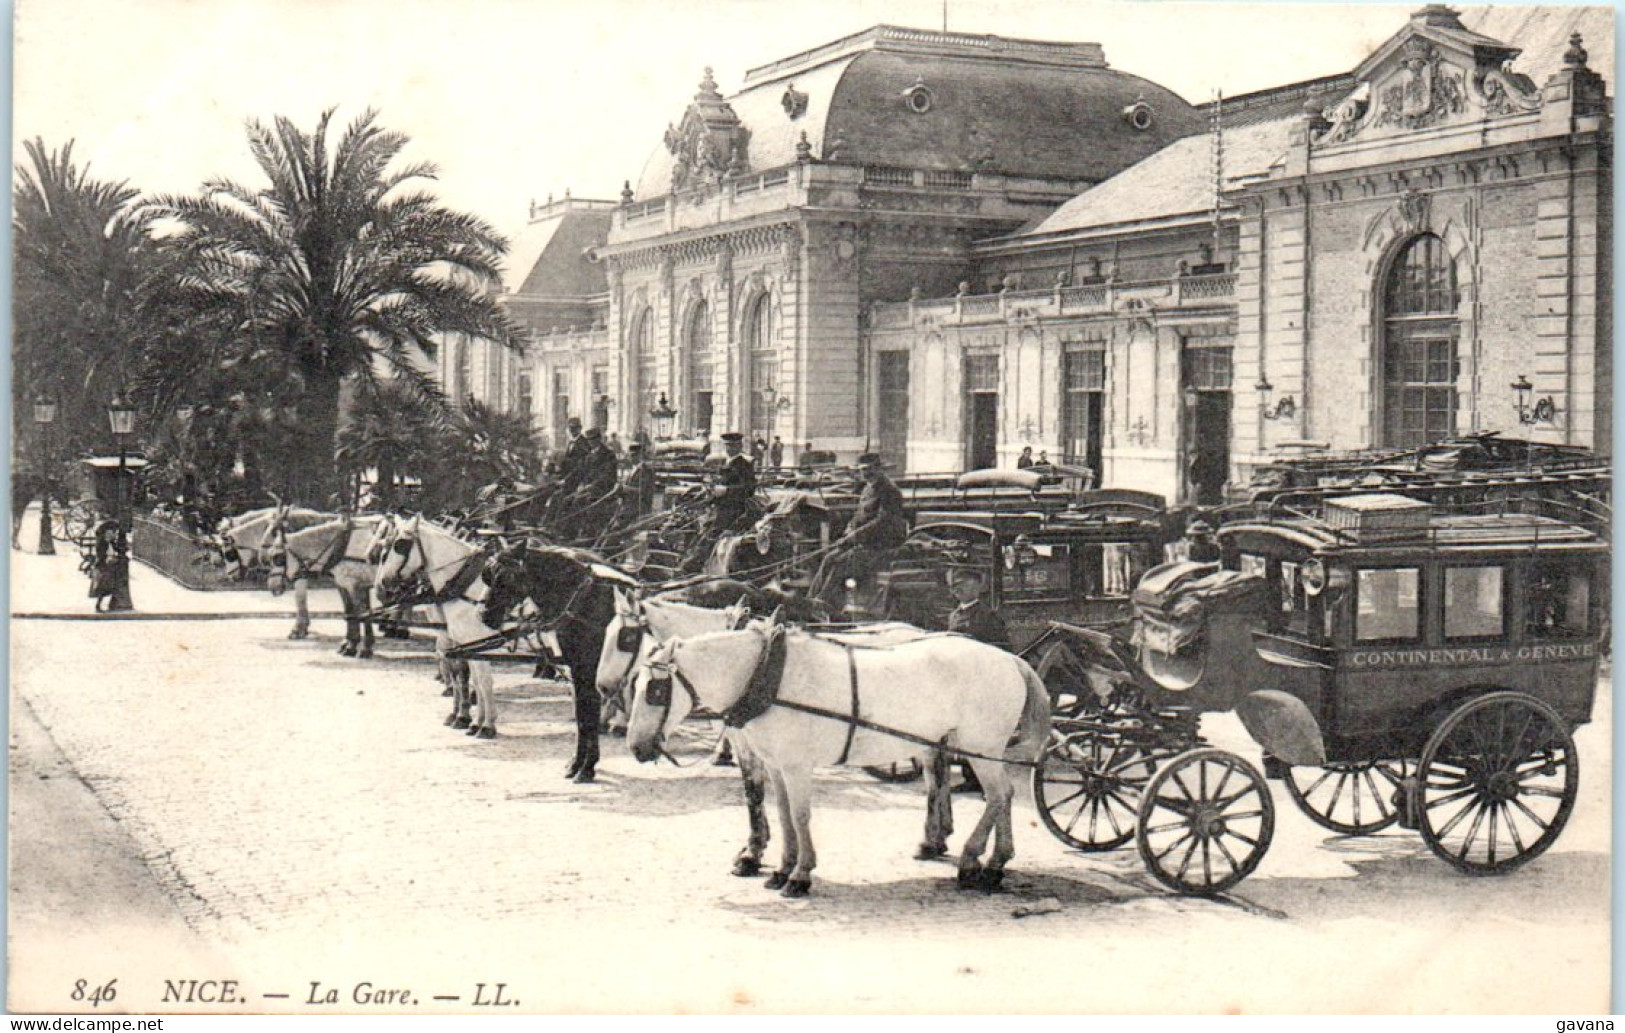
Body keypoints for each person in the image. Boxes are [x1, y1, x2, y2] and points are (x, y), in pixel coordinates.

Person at [810, 452, 908, 601]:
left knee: (839, 565)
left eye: (869, 469)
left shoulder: (890, 491)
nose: (865, 473)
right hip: (865, 542)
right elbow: (859, 515)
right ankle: (809, 602)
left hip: (882, 546)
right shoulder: (868, 488)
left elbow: (882, 522)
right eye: (862, 469)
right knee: (828, 559)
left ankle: (821, 604)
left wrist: (854, 536)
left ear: (878, 468)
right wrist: (848, 530)